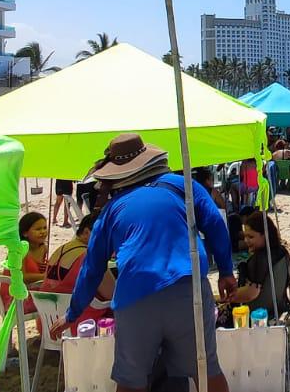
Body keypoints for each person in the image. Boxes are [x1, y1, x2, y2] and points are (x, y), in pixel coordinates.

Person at [56, 133, 236, 392]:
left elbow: (92, 268)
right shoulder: (183, 185)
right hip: (188, 291)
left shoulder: (110, 211)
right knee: (206, 371)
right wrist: (226, 272)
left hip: (135, 298)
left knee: (131, 381)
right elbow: (216, 225)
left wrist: (72, 313)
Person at [225, 214, 290, 316]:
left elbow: (250, 294)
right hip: (277, 308)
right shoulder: (282, 252)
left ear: (265, 235)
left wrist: (225, 297)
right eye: (245, 236)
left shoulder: (260, 259)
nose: (246, 240)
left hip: (256, 314)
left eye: (251, 237)